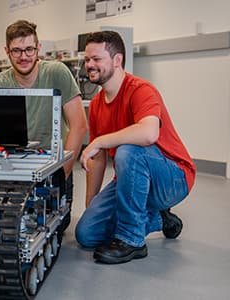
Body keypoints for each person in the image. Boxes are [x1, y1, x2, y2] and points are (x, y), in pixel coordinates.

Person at [75, 31, 196, 264]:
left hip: (172, 178)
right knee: (87, 233)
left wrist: (99, 141)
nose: (89, 65)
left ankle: (132, 240)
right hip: (131, 178)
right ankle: (159, 219)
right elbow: (98, 160)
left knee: (128, 149)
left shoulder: (141, 90)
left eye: (96, 59)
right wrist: (92, 207)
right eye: (87, 59)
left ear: (117, 60)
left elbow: (149, 133)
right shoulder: (98, 104)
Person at [0, 20, 87, 180]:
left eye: (29, 49)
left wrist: (62, 173)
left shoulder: (57, 72)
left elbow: (79, 125)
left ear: (38, 48)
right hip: (12, 164)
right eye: (16, 51)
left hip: (53, 162)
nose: (24, 56)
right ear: (7, 51)